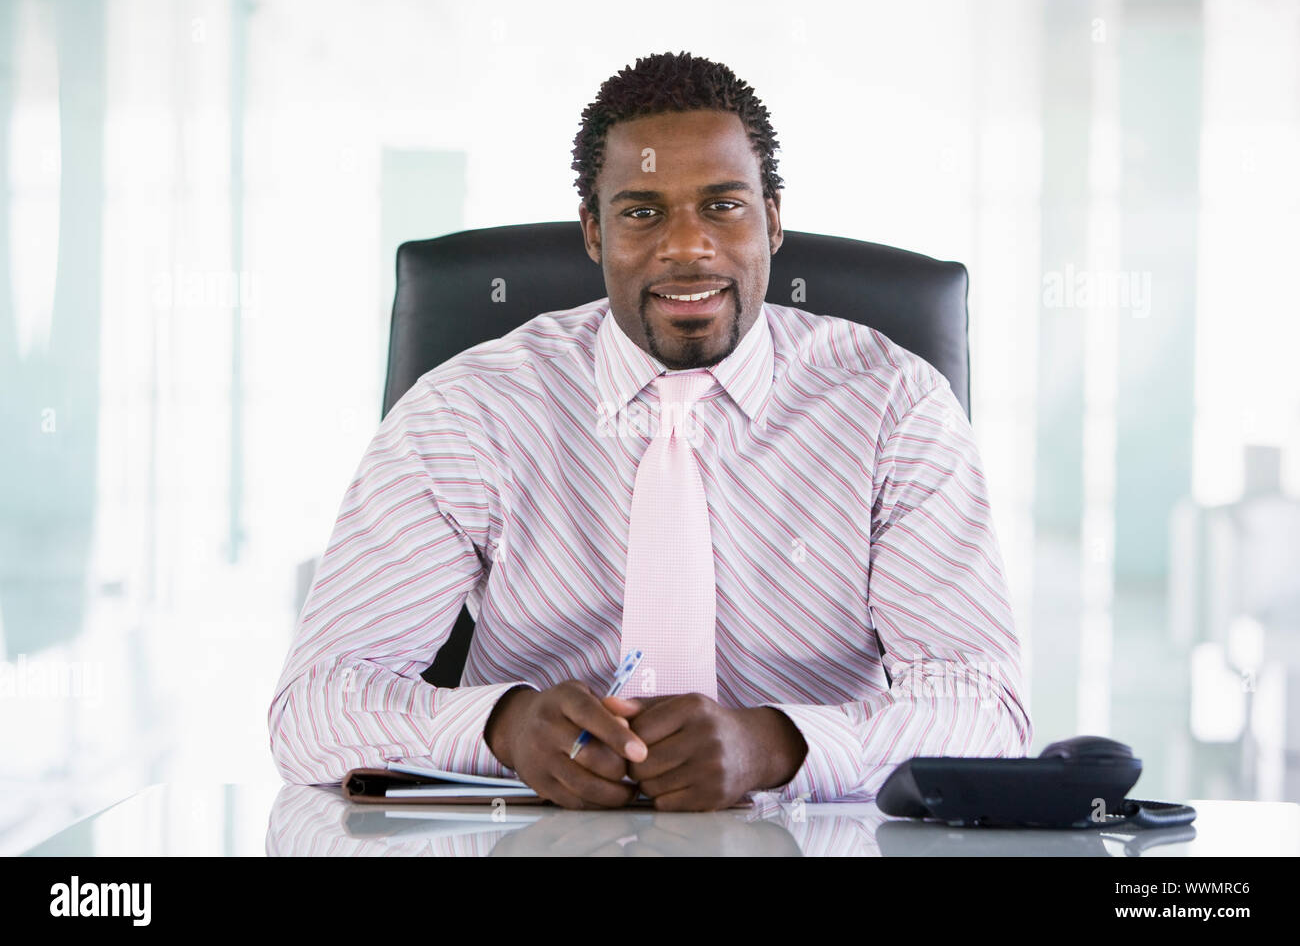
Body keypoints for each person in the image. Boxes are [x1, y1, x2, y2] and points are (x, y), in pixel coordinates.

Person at [267, 51, 1032, 811]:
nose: (686, 245)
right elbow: (313, 708)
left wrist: (775, 745)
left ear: (771, 219)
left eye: (723, 206)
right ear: (594, 232)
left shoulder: (894, 407)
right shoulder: (469, 410)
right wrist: (498, 727)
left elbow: (984, 708)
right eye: (641, 211)